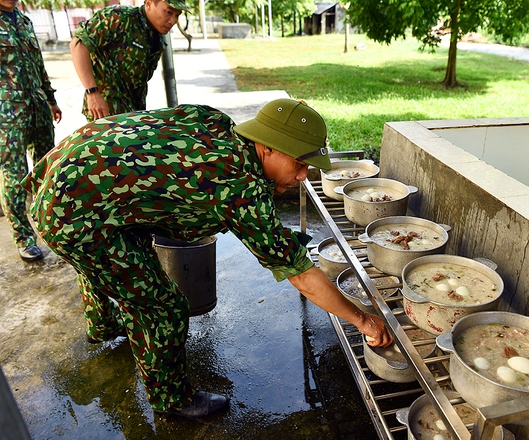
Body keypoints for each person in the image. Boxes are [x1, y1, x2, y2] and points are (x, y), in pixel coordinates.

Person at [22, 98, 394, 419]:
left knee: (116, 256)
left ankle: (102, 323)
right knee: (162, 306)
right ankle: (170, 398)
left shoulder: (218, 124)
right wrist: (362, 320)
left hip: (67, 173)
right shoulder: (239, 186)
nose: (301, 176)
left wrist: (276, 237)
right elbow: (301, 276)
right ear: (266, 147)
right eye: (298, 165)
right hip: (74, 214)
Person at [0, 0, 62, 262]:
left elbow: (38, 63)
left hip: (37, 106)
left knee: (47, 169)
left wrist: (50, 99)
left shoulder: (24, 20)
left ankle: (50, 228)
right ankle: (24, 238)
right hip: (7, 112)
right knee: (14, 176)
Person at [69, 0, 188, 121]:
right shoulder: (119, 17)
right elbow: (78, 44)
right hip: (106, 113)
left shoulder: (156, 37)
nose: (173, 21)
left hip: (133, 114)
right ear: (149, 3)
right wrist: (92, 93)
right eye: (168, 12)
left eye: (177, 15)